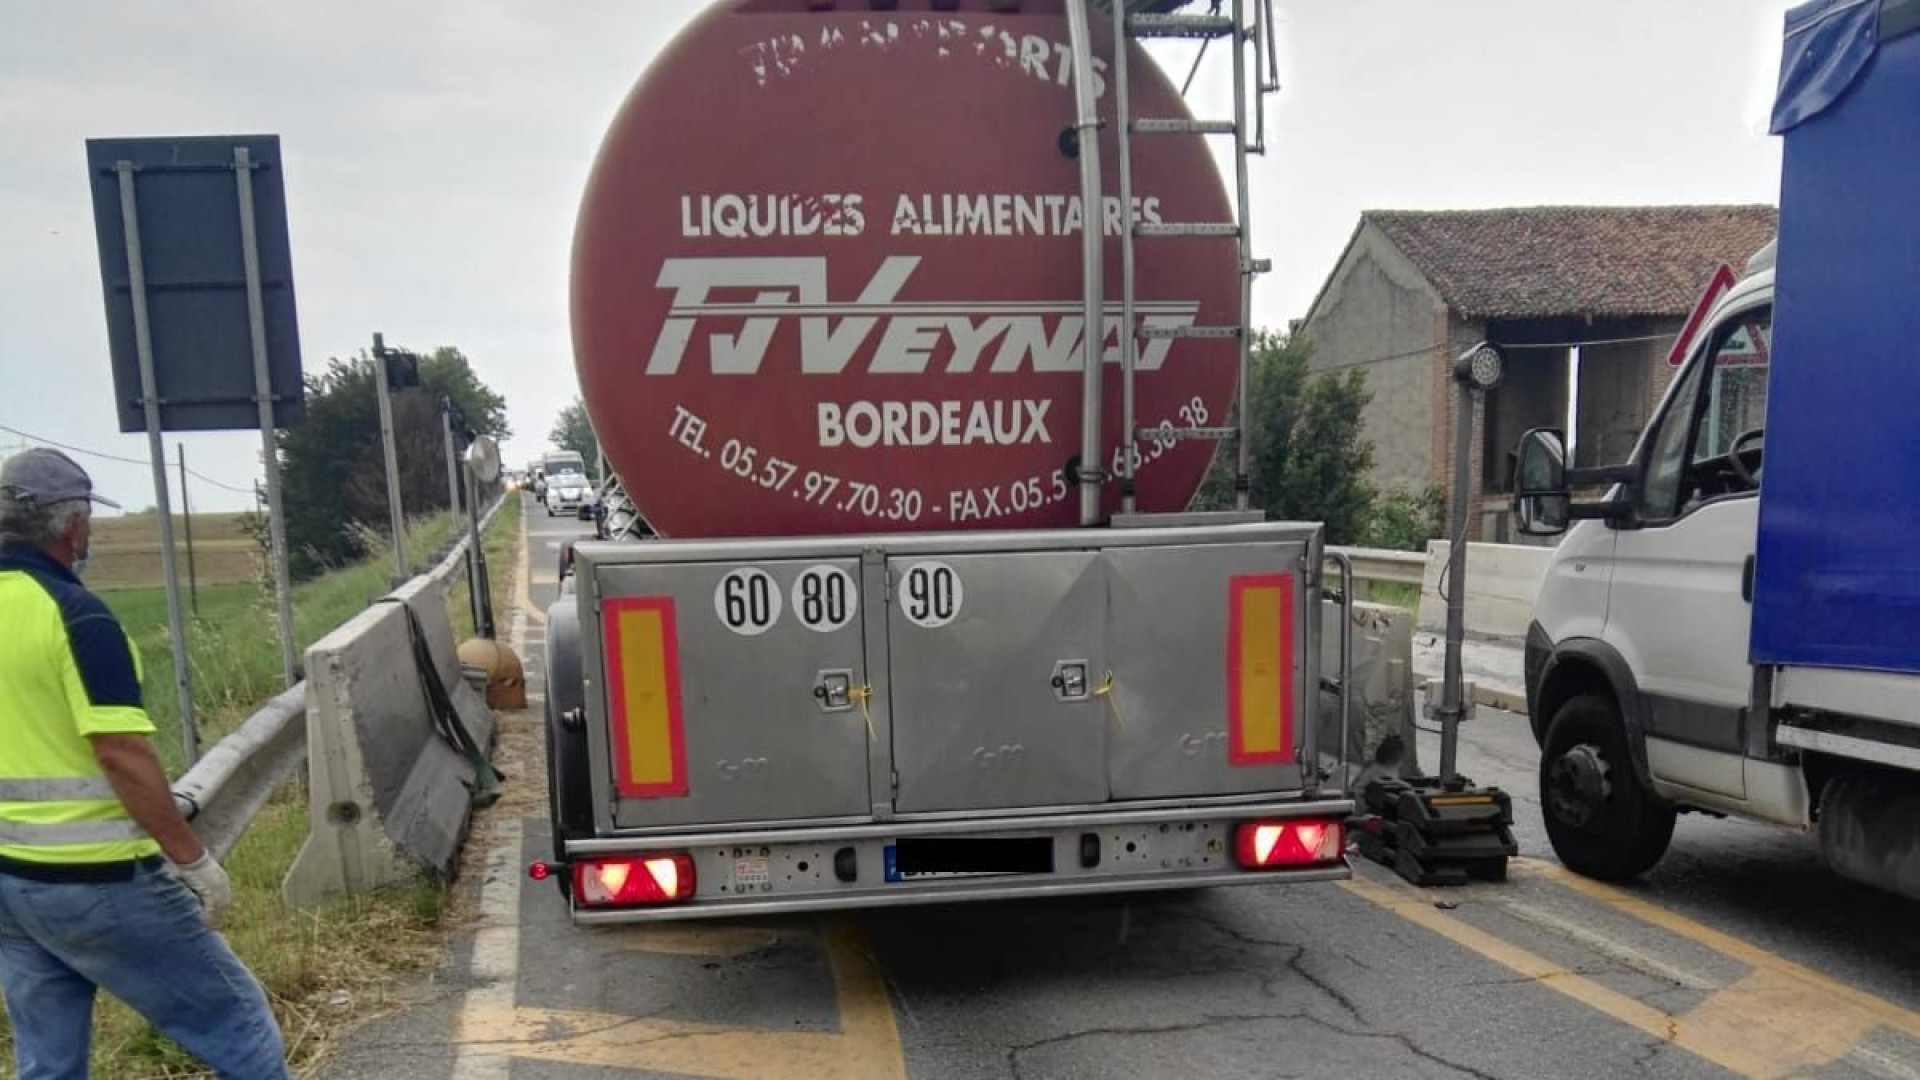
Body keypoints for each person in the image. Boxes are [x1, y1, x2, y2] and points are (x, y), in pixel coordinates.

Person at [0, 448, 289, 1079]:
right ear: (71, 526)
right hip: (100, 881)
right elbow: (120, 752)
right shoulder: (77, 617)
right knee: (237, 1023)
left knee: (48, 1062)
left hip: (11, 884)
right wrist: (191, 858)